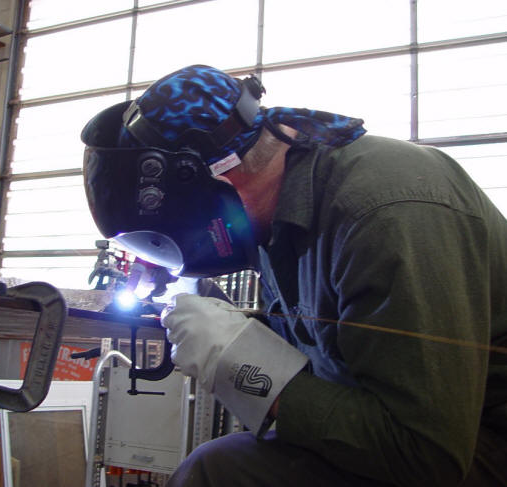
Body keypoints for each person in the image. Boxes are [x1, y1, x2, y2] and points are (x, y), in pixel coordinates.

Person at [81, 64, 507, 486]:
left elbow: (428, 458)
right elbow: (327, 338)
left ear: (206, 183)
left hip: (472, 446)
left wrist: (244, 364)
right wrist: (235, 333)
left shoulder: (385, 215)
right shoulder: (280, 220)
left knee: (221, 472)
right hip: (429, 439)